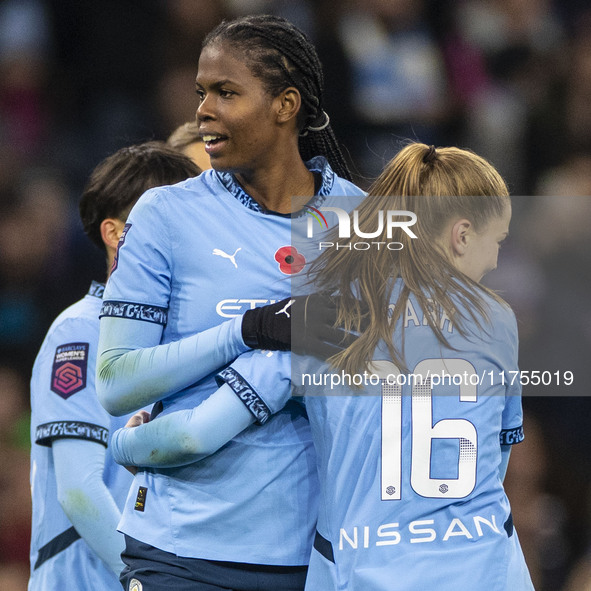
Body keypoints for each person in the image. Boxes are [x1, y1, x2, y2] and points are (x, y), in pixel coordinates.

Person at [95, 14, 365, 591]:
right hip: (178, 551)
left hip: (318, 557)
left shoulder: (364, 223)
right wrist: (246, 330)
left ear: (285, 104)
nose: (202, 111)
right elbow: (116, 384)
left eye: (225, 92)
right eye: (201, 93)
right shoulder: (164, 215)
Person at [296, 142, 535, 590]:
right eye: (496, 242)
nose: (497, 259)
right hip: (482, 572)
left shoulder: (323, 312)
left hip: (360, 569)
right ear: (461, 236)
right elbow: (495, 460)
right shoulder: (495, 318)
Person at [28, 142, 200, 590]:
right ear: (114, 234)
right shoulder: (80, 333)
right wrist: (140, 579)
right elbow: (79, 489)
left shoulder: (185, 341)